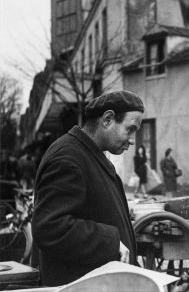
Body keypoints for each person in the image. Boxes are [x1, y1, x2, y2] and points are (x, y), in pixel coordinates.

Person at [32, 90, 144, 286]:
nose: (133, 139)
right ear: (108, 119)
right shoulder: (68, 158)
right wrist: (111, 242)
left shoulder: (86, 154)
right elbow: (50, 227)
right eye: (130, 129)